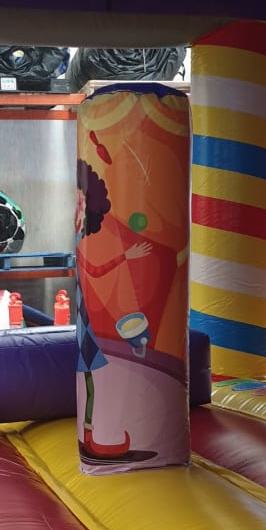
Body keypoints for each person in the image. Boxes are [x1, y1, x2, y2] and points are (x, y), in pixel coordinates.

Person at [76, 157, 151, 460]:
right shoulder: (82, 241)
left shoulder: (88, 239)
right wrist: (125, 256)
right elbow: (93, 271)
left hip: (90, 317)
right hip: (87, 317)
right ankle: (91, 435)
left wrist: (125, 256)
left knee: (94, 376)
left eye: (81, 203)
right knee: (91, 376)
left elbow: (95, 271)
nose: (78, 209)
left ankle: (92, 434)